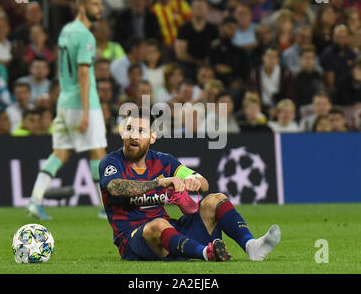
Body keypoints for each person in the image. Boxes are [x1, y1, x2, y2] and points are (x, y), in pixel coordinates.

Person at [99, 109, 281, 261]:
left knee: (215, 200)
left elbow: (204, 183)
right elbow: (115, 187)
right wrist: (160, 182)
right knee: (158, 224)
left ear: (152, 137)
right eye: (129, 129)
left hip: (170, 235)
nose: (134, 136)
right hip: (133, 240)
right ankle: (206, 253)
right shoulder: (112, 163)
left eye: (141, 131)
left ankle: (251, 246)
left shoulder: (164, 161)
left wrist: (192, 182)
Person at [26, 0, 108, 220]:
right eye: (94, 4)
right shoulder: (85, 36)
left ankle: (35, 200)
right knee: (98, 152)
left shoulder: (66, 31)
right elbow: (83, 73)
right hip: (83, 104)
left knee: (60, 153)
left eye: (100, 4)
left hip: (64, 101)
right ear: (82, 7)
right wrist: (85, 111)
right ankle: (105, 207)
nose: (99, 9)